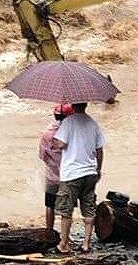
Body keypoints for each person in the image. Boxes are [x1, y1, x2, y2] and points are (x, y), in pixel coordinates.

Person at [52, 102, 105, 254]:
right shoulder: (93, 123)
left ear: (73, 106)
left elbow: (61, 144)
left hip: (72, 173)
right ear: (86, 104)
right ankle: (86, 243)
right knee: (88, 207)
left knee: (66, 210)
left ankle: (64, 244)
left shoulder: (68, 122)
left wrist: (55, 138)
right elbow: (99, 150)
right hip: (90, 172)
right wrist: (98, 169)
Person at [38, 103, 74, 230]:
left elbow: (42, 155)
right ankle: (66, 237)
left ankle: (49, 231)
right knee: (67, 208)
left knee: (49, 205)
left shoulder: (47, 132)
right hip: (69, 176)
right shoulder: (72, 133)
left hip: (52, 176)